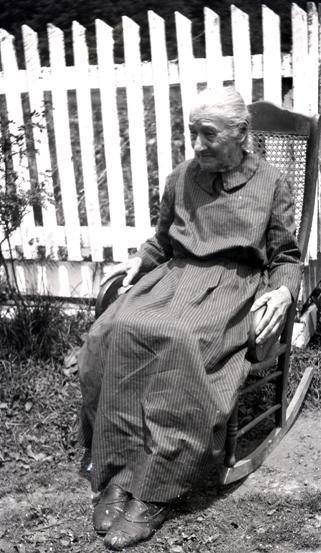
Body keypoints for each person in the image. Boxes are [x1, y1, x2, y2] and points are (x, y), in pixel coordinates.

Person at [78, 86, 302, 550]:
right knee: (116, 329)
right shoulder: (182, 177)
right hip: (174, 278)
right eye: (192, 133)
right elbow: (164, 240)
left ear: (241, 134)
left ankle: (156, 490)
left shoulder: (272, 183)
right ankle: (119, 469)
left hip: (230, 287)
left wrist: (282, 291)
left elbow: (286, 255)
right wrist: (142, 259)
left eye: (208, 134)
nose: (197, 145)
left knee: (178, 339)